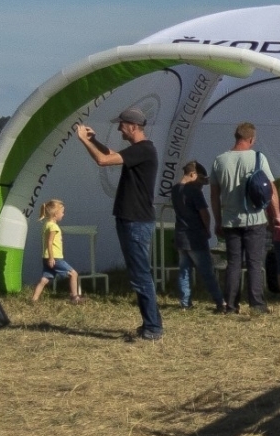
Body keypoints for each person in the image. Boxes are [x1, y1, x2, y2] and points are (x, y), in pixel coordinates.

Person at [74, 107, 162, 340]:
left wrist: (84, 140)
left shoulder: (144, 149)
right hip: (131, 220)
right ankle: (151, 325)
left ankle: (153, 328)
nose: (119, 128)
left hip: (135, 221)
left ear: (132, 126)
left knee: (140, 276)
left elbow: (103, 160)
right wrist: (95, 140)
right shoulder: (139, 151)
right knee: (140, 274)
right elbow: (112, 155)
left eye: (121, 124)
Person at [210, 122, 280, 315]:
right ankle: (257, 304)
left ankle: (231, 305)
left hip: (230, 220)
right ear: (251, 139)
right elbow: (271, 189)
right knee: (254, 262)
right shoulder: (258, 158)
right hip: (255, 219)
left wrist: (217, 221)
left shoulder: (219, 160)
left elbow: (214, 196)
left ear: (236, 137)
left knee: (233, 263)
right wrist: (276, 216)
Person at [172, 161, 224, 311]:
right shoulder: (194, 191)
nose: (202, 184)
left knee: (184, 271)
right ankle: (220, 302)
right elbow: (204, 213)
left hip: (181, 236)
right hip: (195, 236)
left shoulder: (175, 190)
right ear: (192, 174)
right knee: (207, 271)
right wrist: (207, 229)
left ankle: (185, 303)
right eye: (201, 179)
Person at [29, 200, 82, 304]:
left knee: (45, 279)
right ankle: (75, 297)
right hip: (55, 258)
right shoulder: (53, 227)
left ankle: (34, 299)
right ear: (55, 214)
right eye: (62, 212)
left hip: (46, 257)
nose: (63, 214)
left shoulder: (46, 224)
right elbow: (49, 242)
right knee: (73, 273)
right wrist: (52, 258)